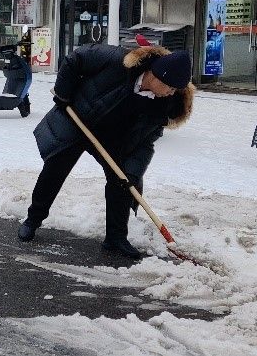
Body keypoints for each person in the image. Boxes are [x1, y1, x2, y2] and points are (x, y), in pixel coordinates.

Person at [17, 45, 194, 259]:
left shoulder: (164, 105)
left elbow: (145, 142)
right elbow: (76, 59)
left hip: (112, 138)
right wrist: (64, 93)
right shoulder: (118, 61)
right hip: (79, 118)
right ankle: (33, 220)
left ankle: (116, 238)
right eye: (170, 88)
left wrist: (132, 173)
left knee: (122, 180)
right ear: (157, 76)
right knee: (56, 168)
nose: (171, 93)